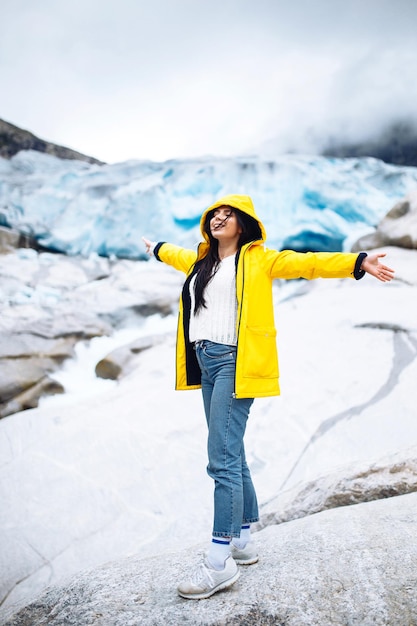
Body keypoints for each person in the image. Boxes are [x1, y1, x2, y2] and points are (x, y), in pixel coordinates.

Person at [142, 193, 394, 600]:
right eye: (215, 214)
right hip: (204, 362)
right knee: (232, 451)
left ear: (243, 224)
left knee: (220, 458)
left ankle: (218, 562)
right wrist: (155, 249)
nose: (219, 218)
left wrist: (357, 262)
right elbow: (175, 255)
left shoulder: (260, 259)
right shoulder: (201, 261)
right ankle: (242, 541)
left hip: (234, 364)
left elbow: (308, 262)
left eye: (228, 215)